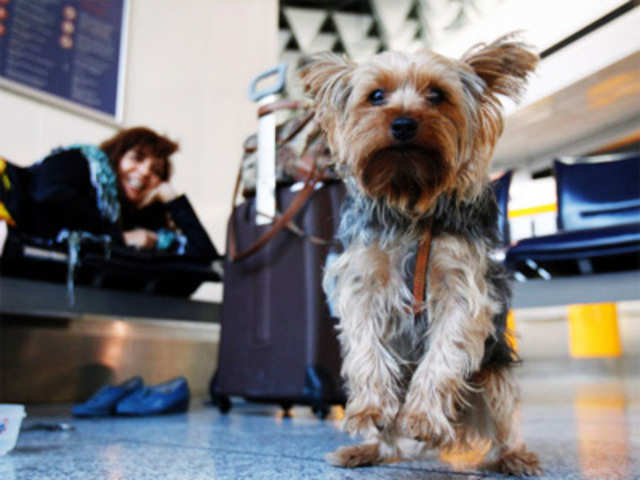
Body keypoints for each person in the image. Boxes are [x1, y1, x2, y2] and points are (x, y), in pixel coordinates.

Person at [0, 127, 220, 264]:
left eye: (156, 171)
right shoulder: (79, 161)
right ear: (116, 156)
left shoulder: (135, 219)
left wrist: (171, 197)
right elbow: (46, 206)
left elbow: (204, 257)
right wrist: (120, 238)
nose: (145, 172)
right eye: (137, 158)